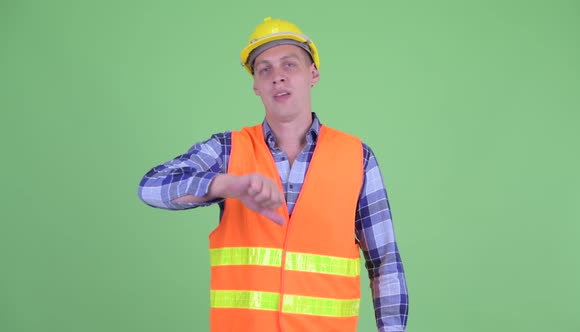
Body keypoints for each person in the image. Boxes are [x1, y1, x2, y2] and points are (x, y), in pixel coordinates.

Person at [138, 17, 408, 332]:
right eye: (264, 69)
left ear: (313, 74)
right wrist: (225, 184)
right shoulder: (227, 150)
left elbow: (384, 263)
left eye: (289, 65)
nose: (277, 77)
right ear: (256, 85)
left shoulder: (358, 158)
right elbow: (151, 187)